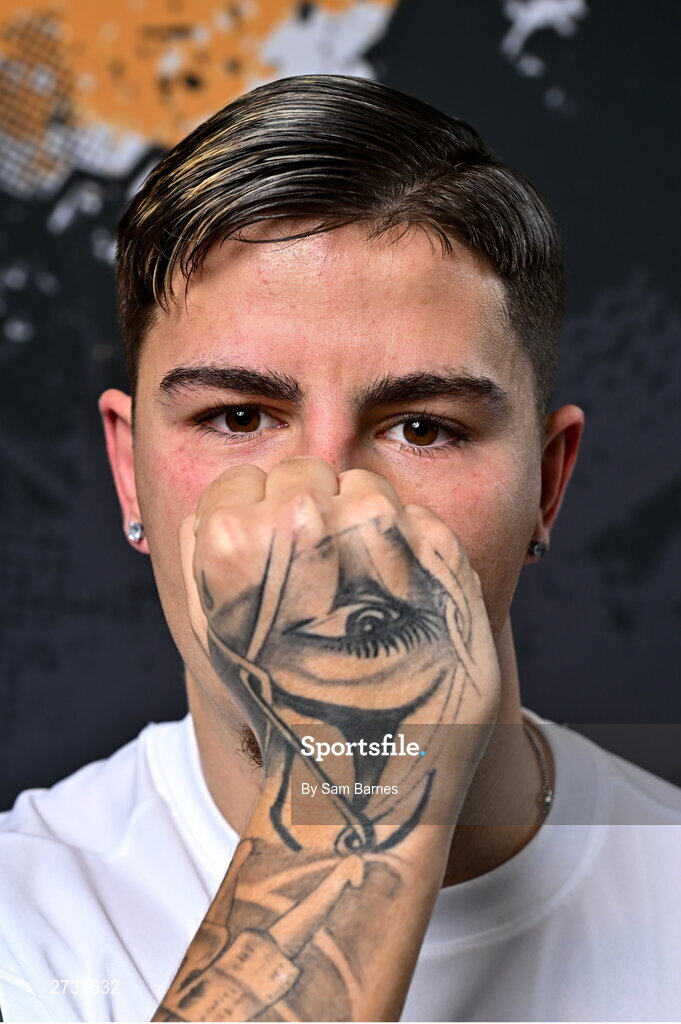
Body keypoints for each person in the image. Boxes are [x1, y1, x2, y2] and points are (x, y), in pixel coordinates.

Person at [1, 74, 680, 1024]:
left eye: (423, 429)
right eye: (238, 417)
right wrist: (362, 774)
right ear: (129, 473)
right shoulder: (23, 923)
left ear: (548, 485)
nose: (327, 507)